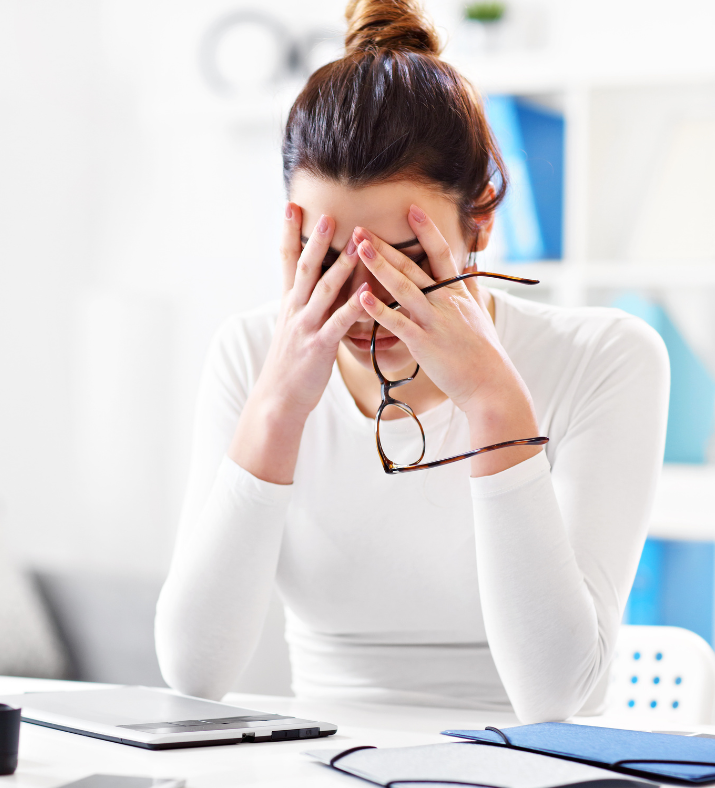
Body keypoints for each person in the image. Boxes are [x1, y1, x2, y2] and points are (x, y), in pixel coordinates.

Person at [155, 0, 669, 723]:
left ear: (480, 222)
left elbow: (557, 698)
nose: (366, 304)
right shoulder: (248, 354)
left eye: (404, 261)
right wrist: (279, 406)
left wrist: (494, 402)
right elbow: (193, 674)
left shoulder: (604, 359)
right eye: (327, 260)